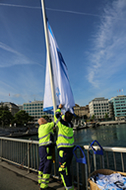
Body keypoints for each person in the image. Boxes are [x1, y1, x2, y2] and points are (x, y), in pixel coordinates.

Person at [54, 104, 74, 190]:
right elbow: (59, 117)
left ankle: (69, 188)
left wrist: (59, 108)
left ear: (65, 118)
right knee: (67, 169)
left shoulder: (61, 124)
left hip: (63, 150)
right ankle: (69, 186)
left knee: (63, 170)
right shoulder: (70, 125)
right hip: (70, 150)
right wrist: (63, 115)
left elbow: (56, 115)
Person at [38, 117, 55, 190]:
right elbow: (56, 122)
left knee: (42, 163)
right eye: (44, 119)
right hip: (47, 148)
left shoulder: (40, 128)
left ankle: (40, 180)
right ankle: (44, 186)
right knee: (47, 165)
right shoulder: (47, 125)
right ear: (42, 121)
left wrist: (52, 130)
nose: (46, 120)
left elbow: (48, 132)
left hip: (41, 148)